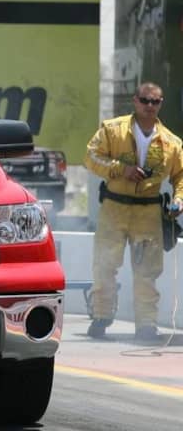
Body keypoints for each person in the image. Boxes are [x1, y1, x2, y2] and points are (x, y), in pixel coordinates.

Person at [84, 82, 183, 341]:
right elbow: (91, 157)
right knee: (104, 265)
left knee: (147, 270)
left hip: (148, 212)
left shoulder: (172, 143)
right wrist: (120, 169)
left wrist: (179, 199)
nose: (150, 106)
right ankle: (101, 316)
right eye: (145, 100)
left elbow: (181, 176)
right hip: (114, 207)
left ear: (161, 104)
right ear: (135, 101)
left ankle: (147, 325)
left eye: (156, 101)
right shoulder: (111, 130)